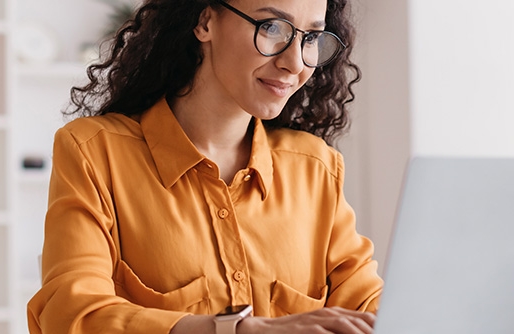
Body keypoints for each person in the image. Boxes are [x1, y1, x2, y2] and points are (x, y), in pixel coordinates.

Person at [25, 0, 383, 333]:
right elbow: (70, 314)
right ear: (205, 21)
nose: (295, 62)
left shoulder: (315, 167)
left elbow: (374, 308)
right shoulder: (94, 152)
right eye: (272, 27)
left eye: (311, 38)